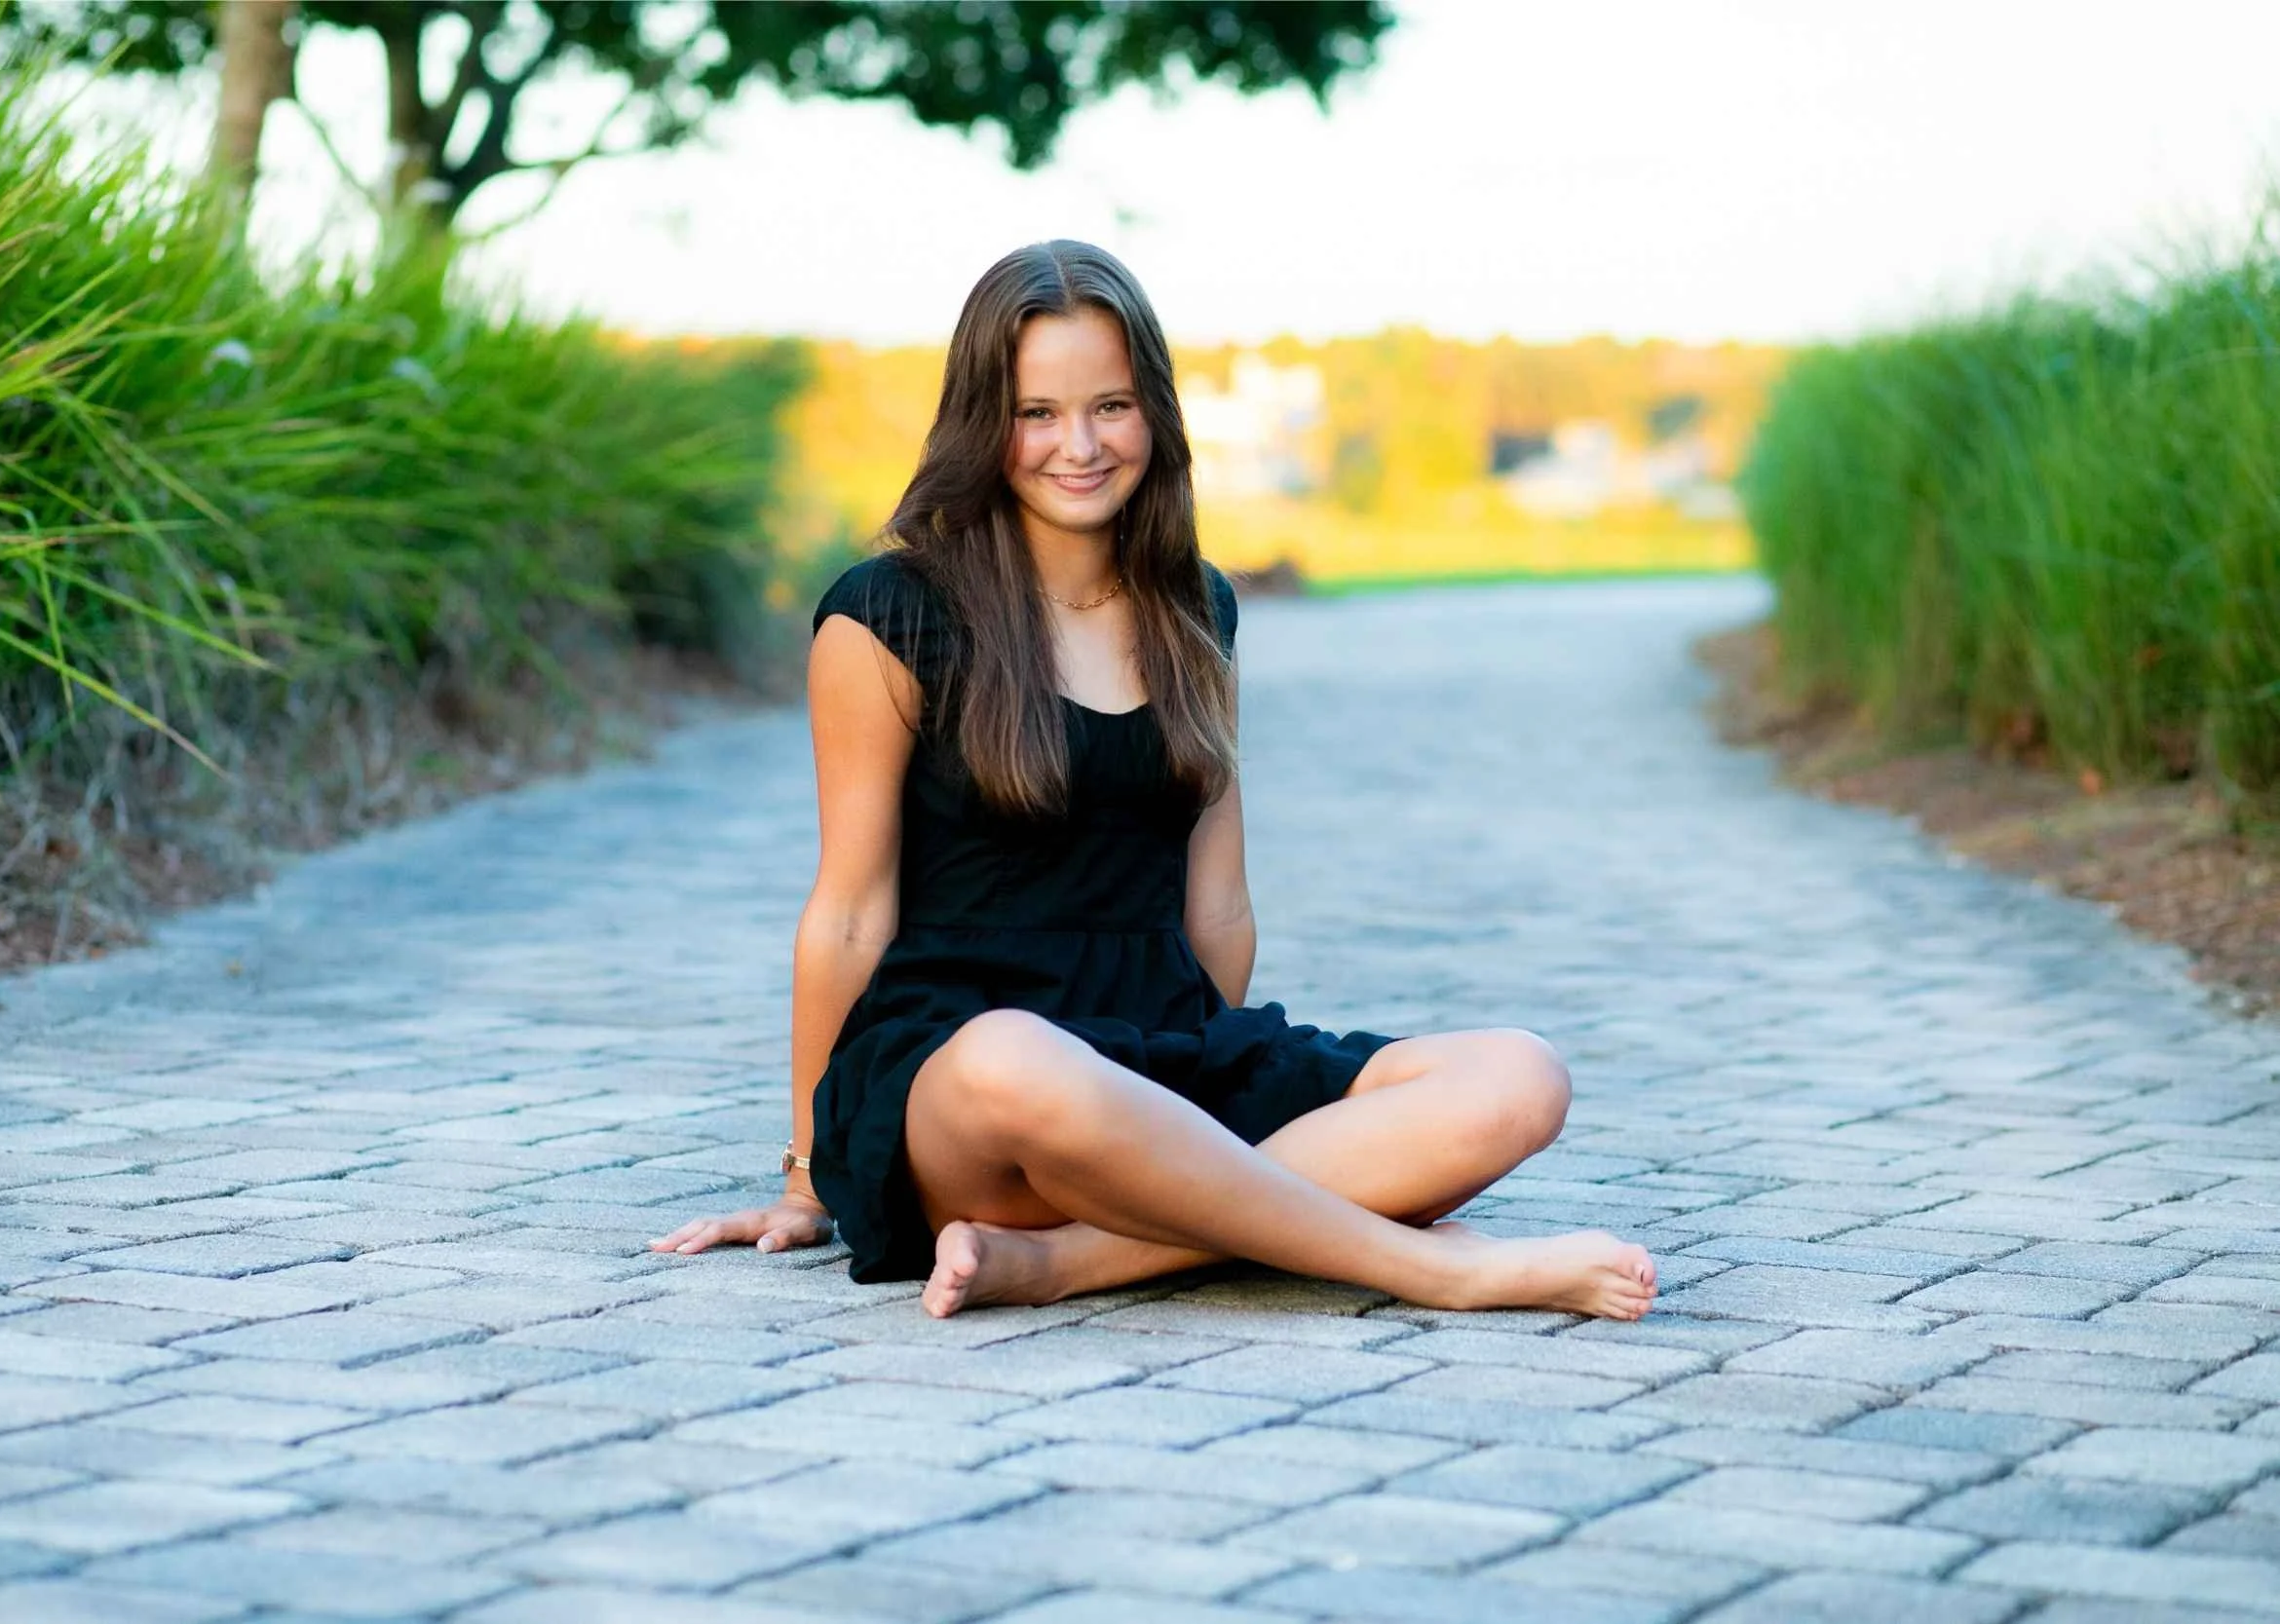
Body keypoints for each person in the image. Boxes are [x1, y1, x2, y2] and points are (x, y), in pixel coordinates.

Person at [651, 242, 1656, 1322]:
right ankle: (1436, 1267)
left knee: (1519, 1075)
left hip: (1154, 1045)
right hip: (963, 1072)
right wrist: (807, 1176)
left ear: (1155, 415)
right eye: (1036, 411)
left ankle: (1069, 1260)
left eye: (1110, 406)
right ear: (983, 420)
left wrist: (1200, 1102)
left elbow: (1216, 903)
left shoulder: (1196, 608)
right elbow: (848, 913)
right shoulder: (885, 612)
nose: (1077, 445)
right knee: (1013, 1056)